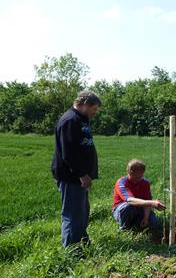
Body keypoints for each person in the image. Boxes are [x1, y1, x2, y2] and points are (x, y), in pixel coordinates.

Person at [51, 90, 101, 249]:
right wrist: (82, 174)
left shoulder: (81, 119)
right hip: (72, 177)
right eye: (94, 109)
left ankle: (82, 243)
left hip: (80, 177)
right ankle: (73, 251)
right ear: (85, 104)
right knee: (73, 215)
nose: (95, 113)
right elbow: (69, 153)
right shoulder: (70, 120)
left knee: (82, 213)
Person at [112, 159, 166, 231]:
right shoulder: (122, 183)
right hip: (121, 209)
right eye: (135, 175)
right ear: (129, 172)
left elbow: (146, 201)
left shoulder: (145, 183)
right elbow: (130, 200)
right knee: (129, 206)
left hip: (139, 208)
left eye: (140, 175)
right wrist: (152, 203)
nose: (138, 178)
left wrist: (146, 218)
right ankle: (124, 228)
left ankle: (136, 223)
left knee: (154, 223)